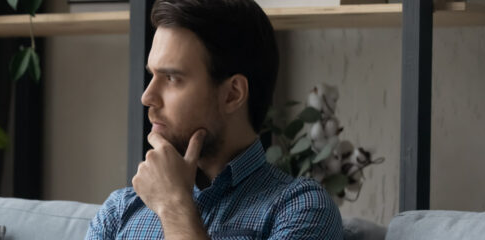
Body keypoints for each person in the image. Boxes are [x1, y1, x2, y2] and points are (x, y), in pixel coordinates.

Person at [85, 0, 344, 239]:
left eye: (172, 78)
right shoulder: (118, 212)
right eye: (152, 75)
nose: (147, 96)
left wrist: (174, 206)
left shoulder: (302, 208)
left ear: (232, 94)